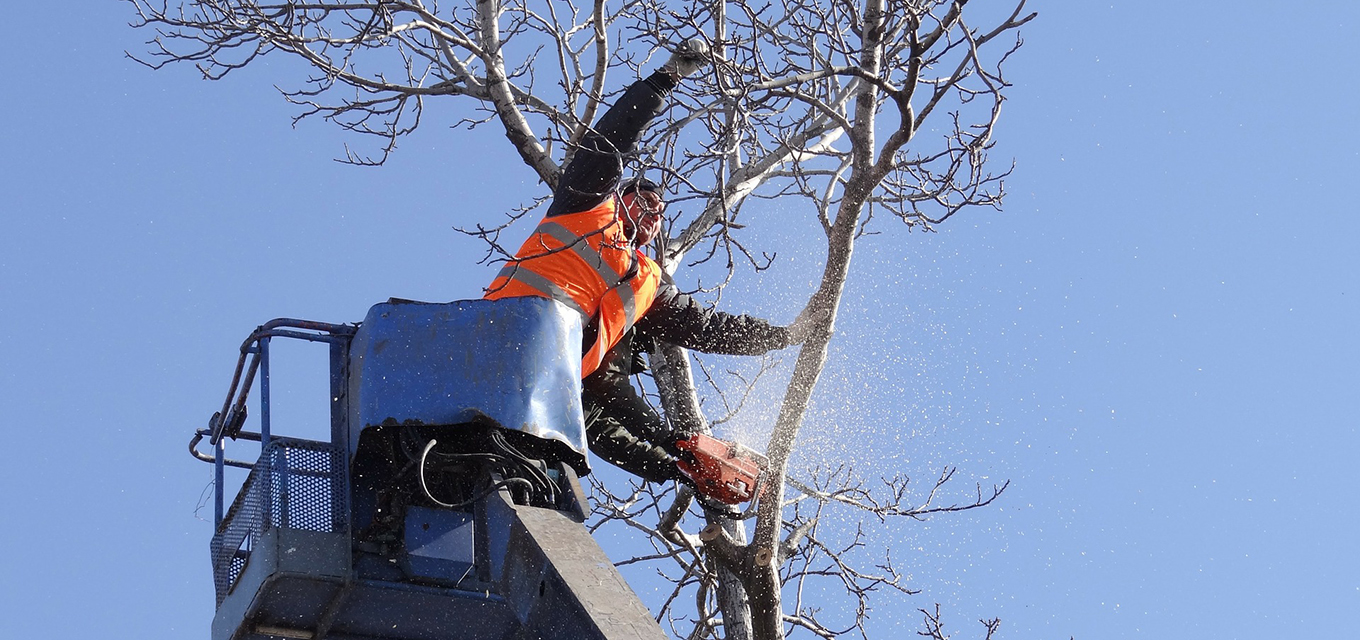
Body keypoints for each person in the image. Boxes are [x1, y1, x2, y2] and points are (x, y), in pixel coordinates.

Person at [485, 39, 817, 483]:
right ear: (620, 196)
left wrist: (785, 336)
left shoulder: (643, 283)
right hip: (498, 338)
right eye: (645, 200)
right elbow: (611, 140)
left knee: (638, 433)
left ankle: (688, 460)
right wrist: (666, 79)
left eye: (661, 212)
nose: (654, 213)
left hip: (546, 380)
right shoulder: (585, 207)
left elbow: (707, 329)